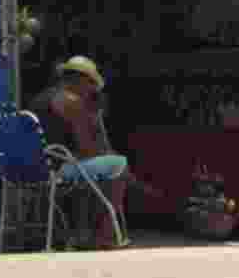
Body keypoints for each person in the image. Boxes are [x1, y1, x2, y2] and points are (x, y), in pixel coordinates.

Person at [28, 56, 155, 248]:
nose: (92, 91)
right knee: (118, 165)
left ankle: (83, 232)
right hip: (56, 170)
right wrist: (95, 118)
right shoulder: (71, 102)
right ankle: (105, 236)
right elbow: (89, 149)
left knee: (105, 166)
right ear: (80, 80)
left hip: (35, 169)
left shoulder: (41, 98)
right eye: (92, 85)